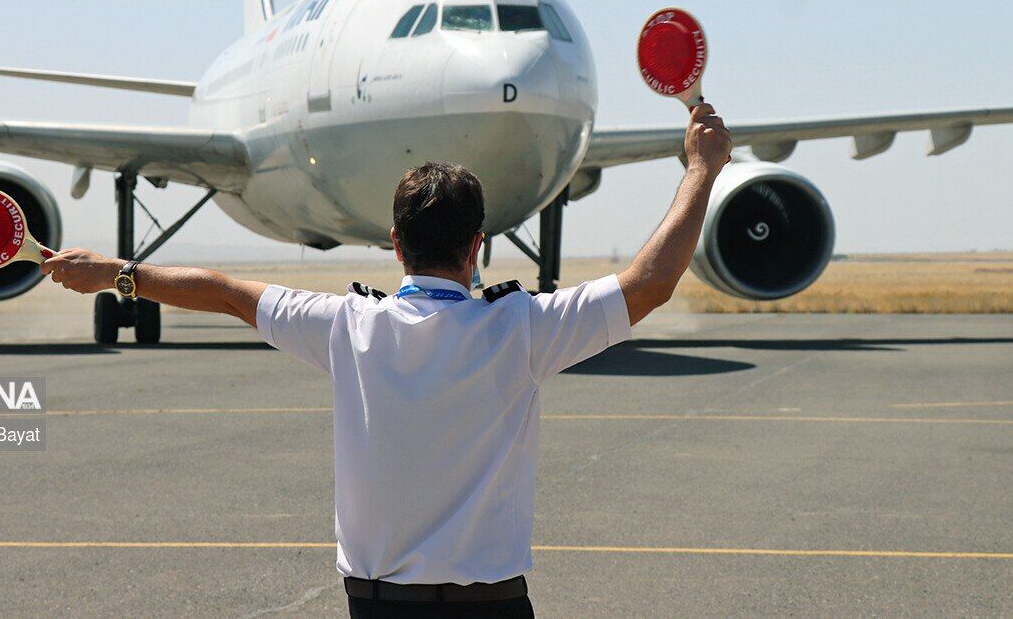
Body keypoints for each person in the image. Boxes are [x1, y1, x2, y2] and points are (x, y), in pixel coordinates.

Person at [43, 103, 733, 617]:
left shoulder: (346, 325)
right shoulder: (522, 328)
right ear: (478, 247)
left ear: (395, 247)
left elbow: (222, 291)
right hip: (491, 605)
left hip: (379, 605)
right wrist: (702, 169)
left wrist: (114, 273)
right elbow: (651, 281)